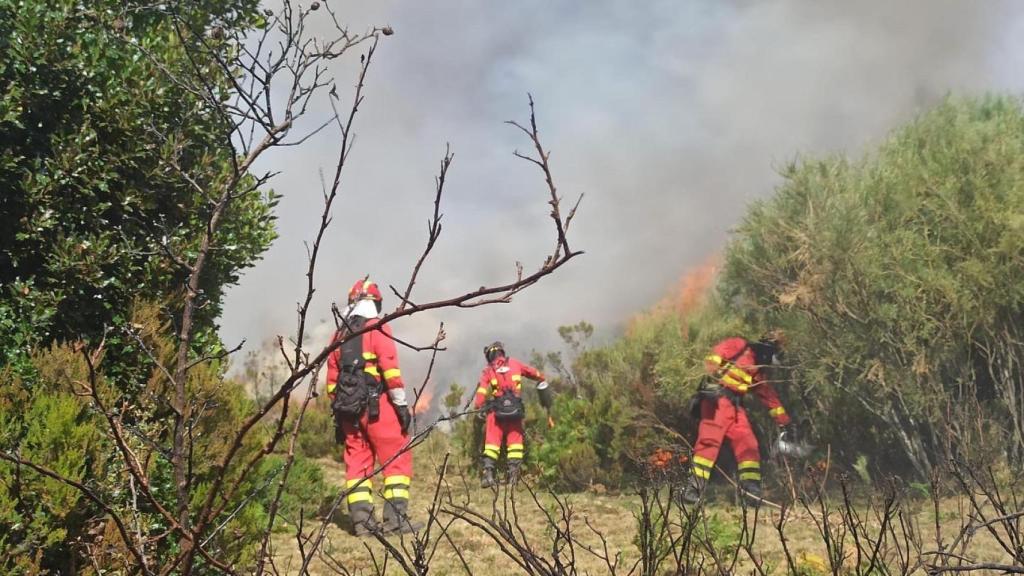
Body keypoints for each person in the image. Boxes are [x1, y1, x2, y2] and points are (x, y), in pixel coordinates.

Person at [327, 278, 420, 536]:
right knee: (397, 460)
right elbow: (390, 370)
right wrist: (401, 406)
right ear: (375, 303)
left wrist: (340, 415)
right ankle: (395, 522)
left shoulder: (338, 335)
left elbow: (331, 382)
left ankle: (362, 524)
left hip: (348, 413)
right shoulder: (377, 328)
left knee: (356, 465)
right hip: (377, 409)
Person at [682, 332, 798, 506]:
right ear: (769, 350)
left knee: (748, 444)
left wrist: (785, 422)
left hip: (735, 407)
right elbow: (714, 357)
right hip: (716, 402)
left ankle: (751, 492)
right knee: (708, 444)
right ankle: (692, 490)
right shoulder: (739, 345)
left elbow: (769, 398)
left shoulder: (758, 372)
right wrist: (712, 377)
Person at [473, 341, 551, 487]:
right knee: (515, 444)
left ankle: (488, 476)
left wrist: (478, 407)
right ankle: (513, 477)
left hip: (496, 414)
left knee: (492, 444)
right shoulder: (515, 363)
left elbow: (481, 392)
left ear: (490, 355)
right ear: (502, 352)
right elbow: (533, 373)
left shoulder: (488, 370)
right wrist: (542, 378)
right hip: (515, 412)